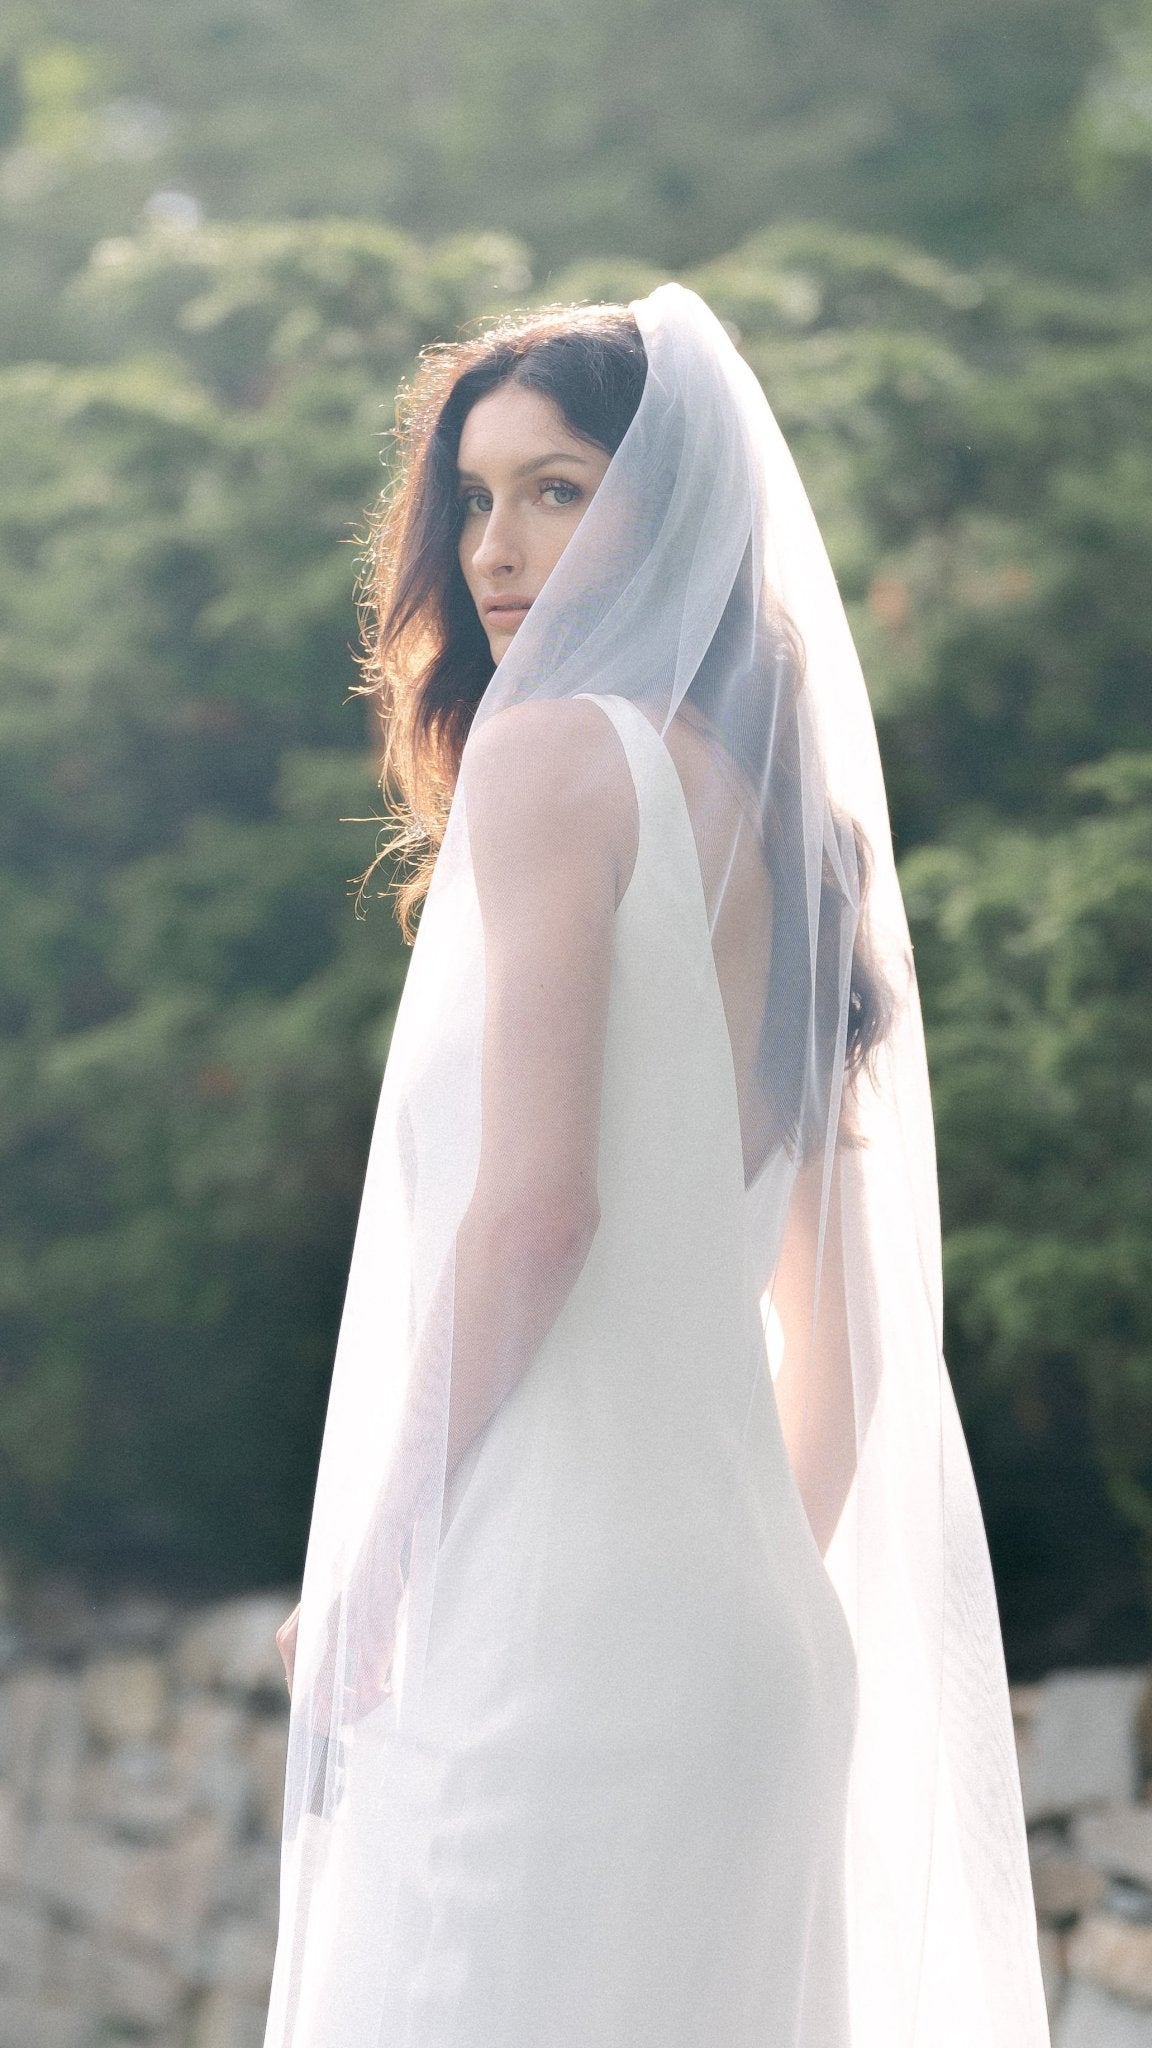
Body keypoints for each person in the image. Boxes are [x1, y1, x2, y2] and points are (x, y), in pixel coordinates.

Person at [262, 285, 1051, 2047]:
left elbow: (539, 1213)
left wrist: (375, 1576)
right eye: (473, 498)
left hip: (555, 1634)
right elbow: (837, 1334)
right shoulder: (794, 830)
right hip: (761, 1645)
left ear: (669, 505)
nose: (496, 546)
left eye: (557, 488)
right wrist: (731, 1592)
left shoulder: (552, 761)